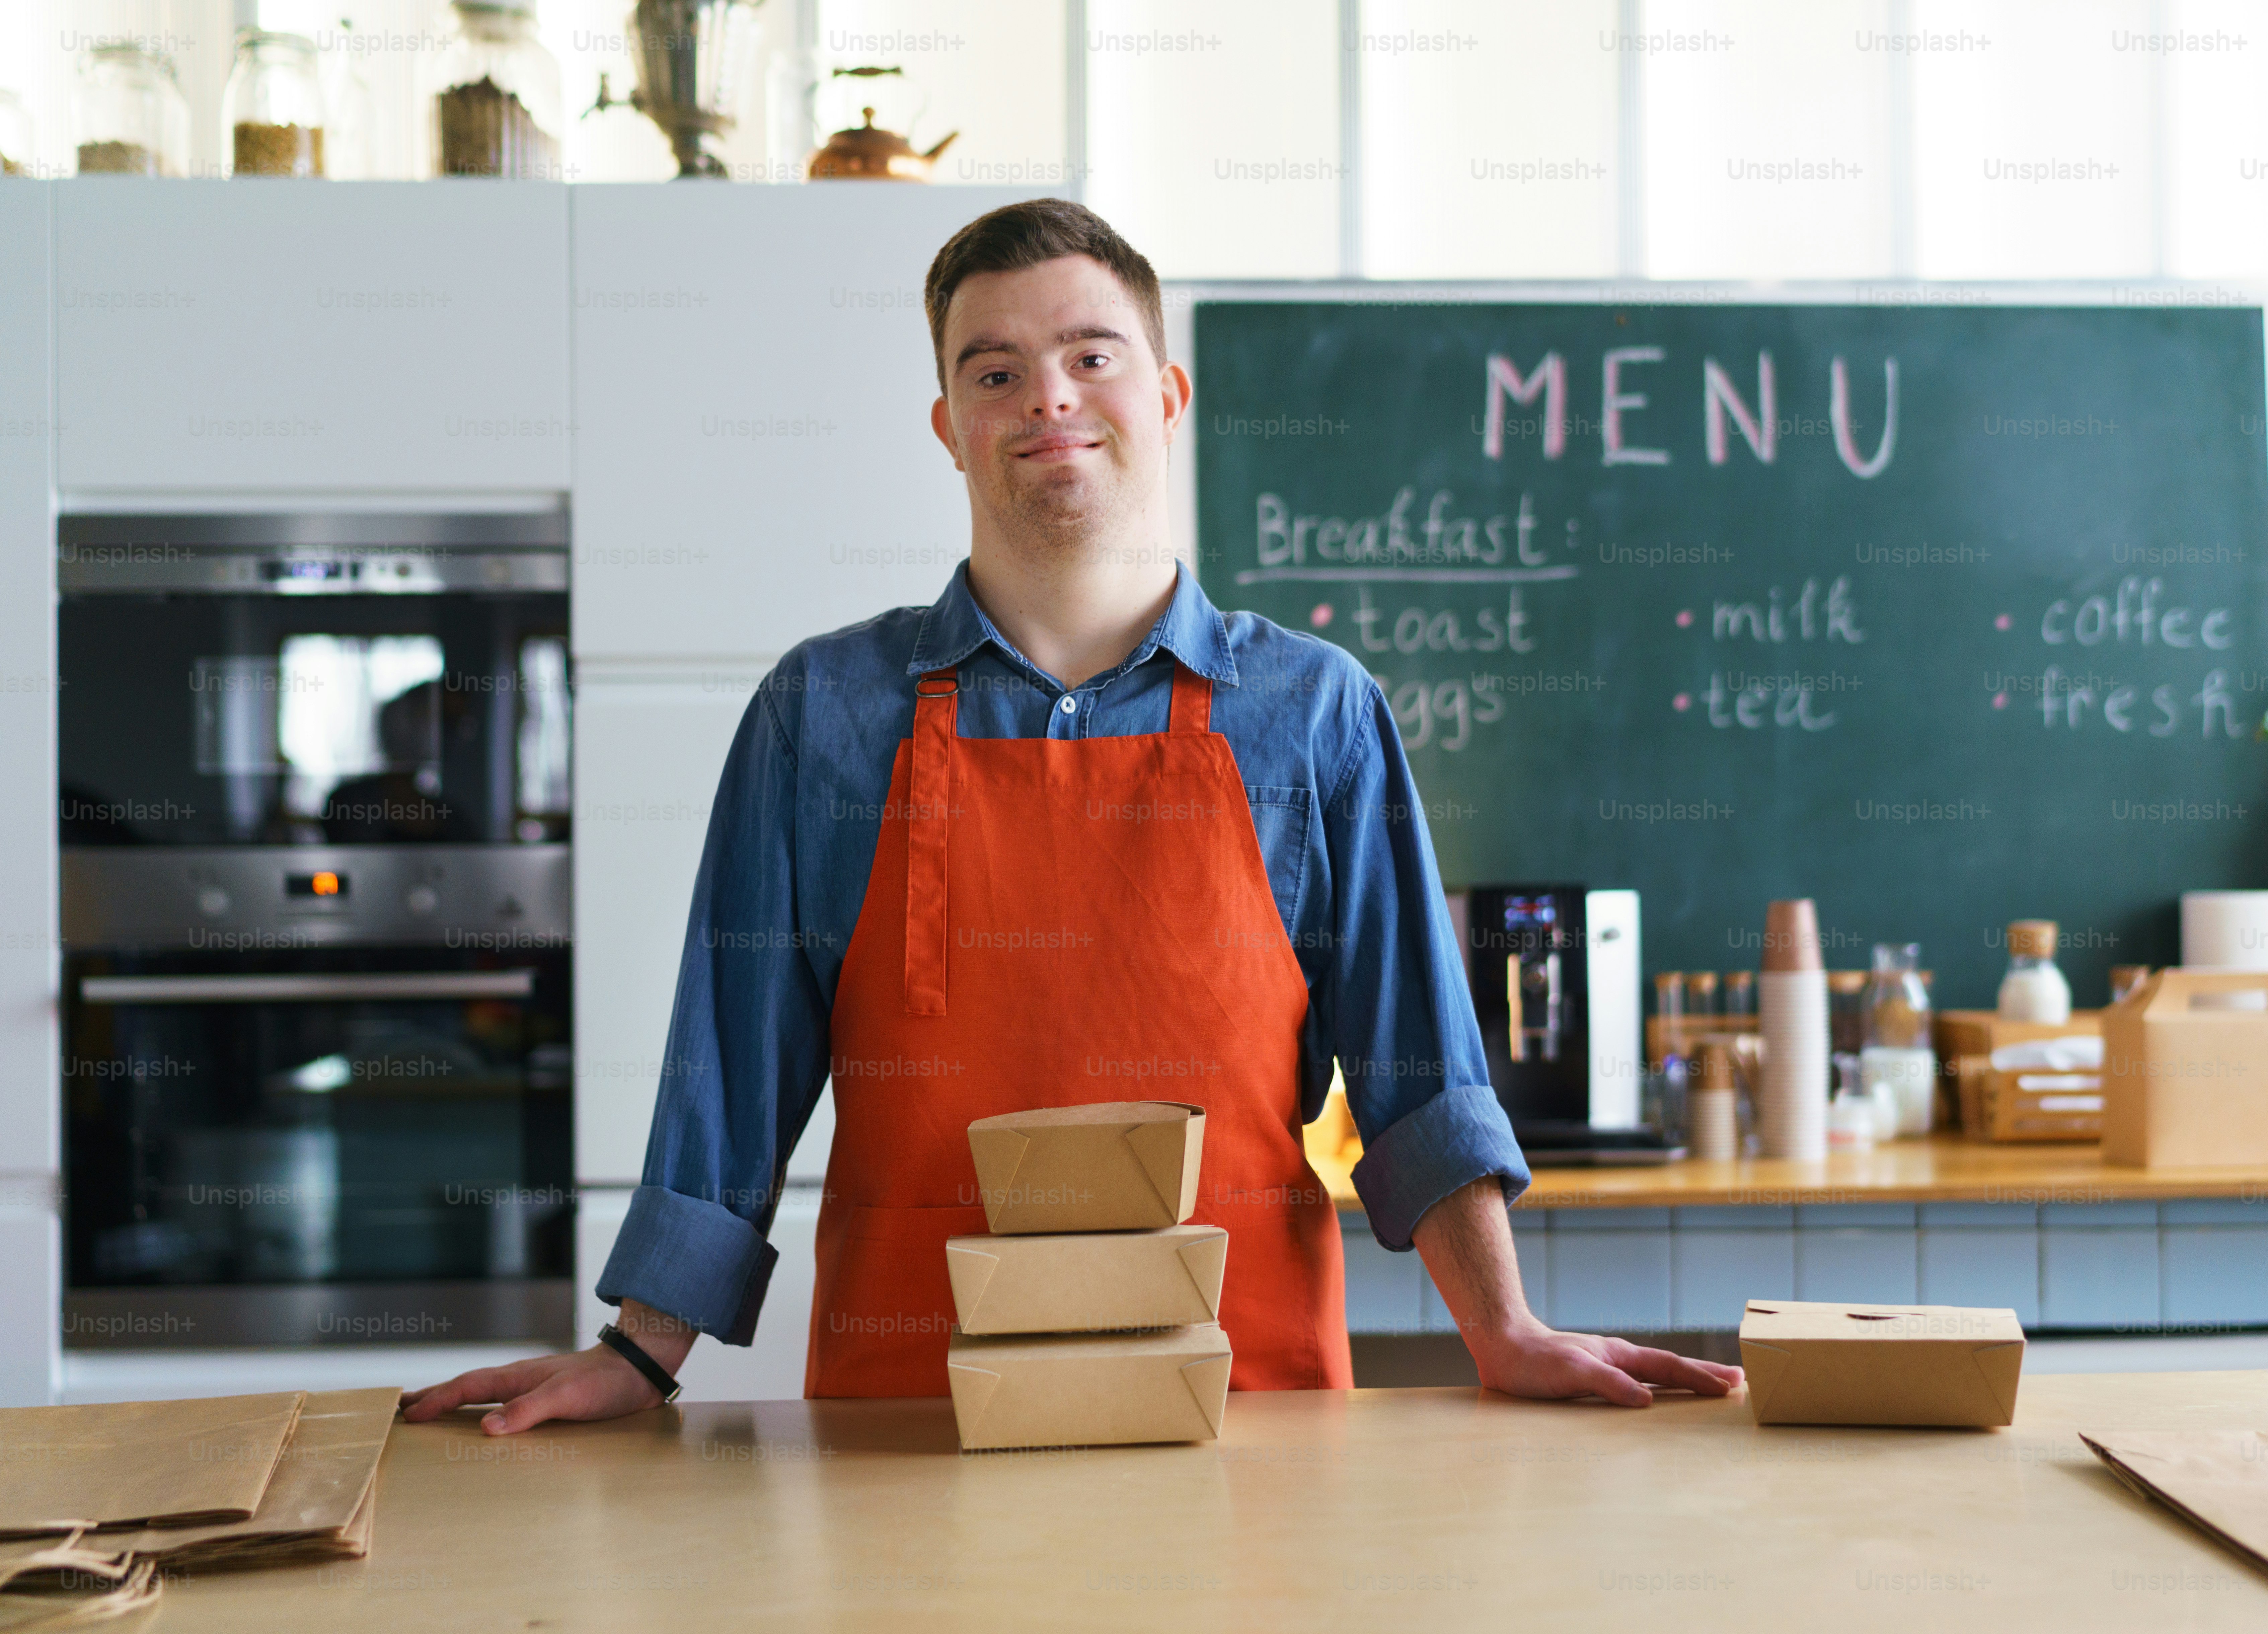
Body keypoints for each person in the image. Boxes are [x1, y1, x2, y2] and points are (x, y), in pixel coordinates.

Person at [402, 200, 1741, 1434]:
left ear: (1165, 395)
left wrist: (1500, 1328)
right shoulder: (822, 715)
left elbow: (1421, 1076)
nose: (1048, 393)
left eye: (1092, 356)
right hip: (913, 1428)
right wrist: (638, 1354)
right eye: (994, 370)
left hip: (1251, 1422)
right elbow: (730, 1076)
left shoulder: (1316, 711)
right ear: (947, 423)